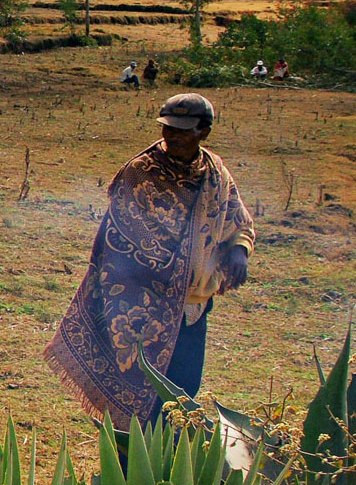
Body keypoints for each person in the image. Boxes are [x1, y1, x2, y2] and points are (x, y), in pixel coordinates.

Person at [44, 94, 253, 425]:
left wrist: (239, 250)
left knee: (183, 392)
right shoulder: (141, 173)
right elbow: (119, 245)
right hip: (143, 307)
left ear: (205, 132)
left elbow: (236, 220)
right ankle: (132, 470)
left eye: (184, 131)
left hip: (192, 308)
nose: (173, 137)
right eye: (168, 129)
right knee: (144, 397)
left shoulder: (215, 173)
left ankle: (168, 464)